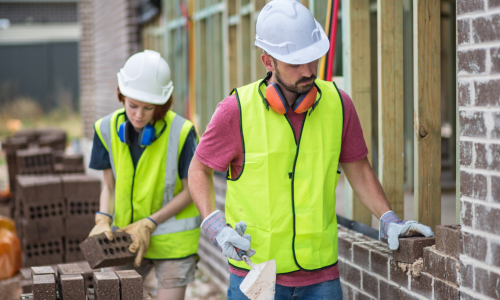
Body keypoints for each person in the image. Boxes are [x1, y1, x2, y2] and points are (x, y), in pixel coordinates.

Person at [188, 1, 433, 299]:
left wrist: (388, 218)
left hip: (321, 278)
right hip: (255, 274)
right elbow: (198, 168)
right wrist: (214, 224)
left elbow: (358, 167)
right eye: (294, 63)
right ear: (268, 62)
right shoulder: (235, 111)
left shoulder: (339, 104)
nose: (308, 70)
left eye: (312, 58)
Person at [88, 50, 201, 300]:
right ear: (122, 96)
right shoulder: (105, 129)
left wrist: (150, 222)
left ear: (161, 104)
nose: (138, 115)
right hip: (127, 240)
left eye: (148, 108)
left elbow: (192, 189)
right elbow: (108, 185)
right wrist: (102, 219)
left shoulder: (182, 132)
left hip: (173, 243)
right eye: (132, 105)